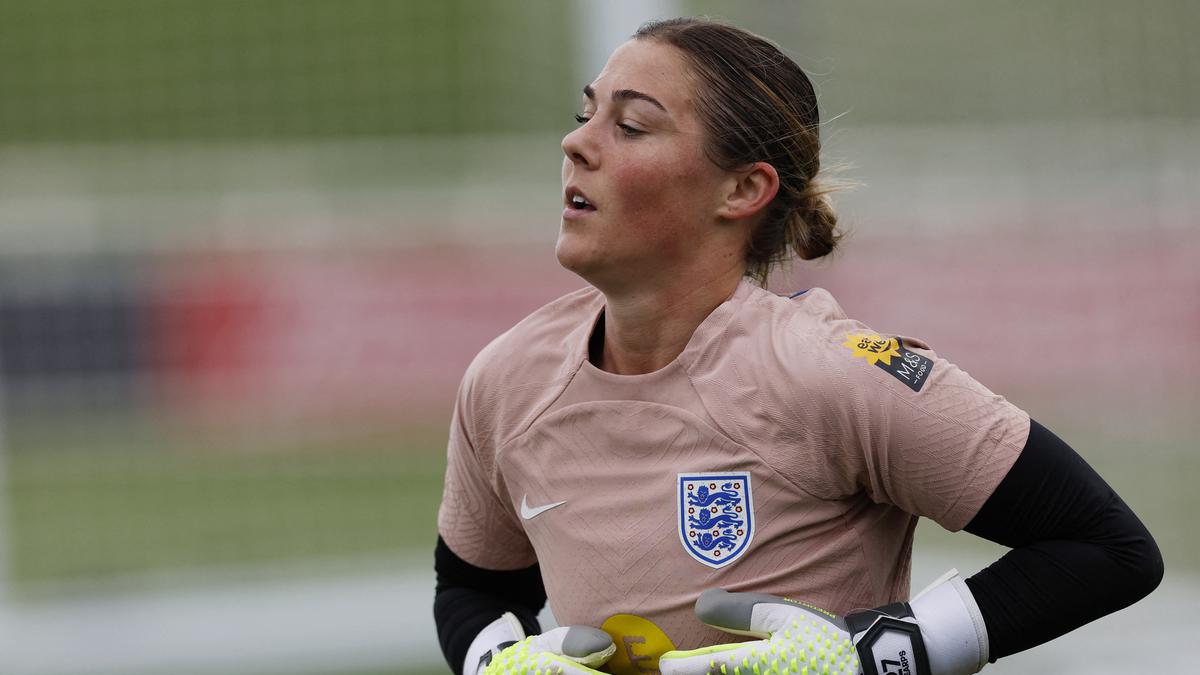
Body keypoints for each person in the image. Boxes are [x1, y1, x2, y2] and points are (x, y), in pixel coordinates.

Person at [433, 17, 1162, 675]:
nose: (575, 143)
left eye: (631, 126)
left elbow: (1106, 546)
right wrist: (496, 660)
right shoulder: (507, 381)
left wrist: (879, 653)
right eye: (585, 114)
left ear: (743, 189)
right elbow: (472, 586)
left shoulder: (833, 372)